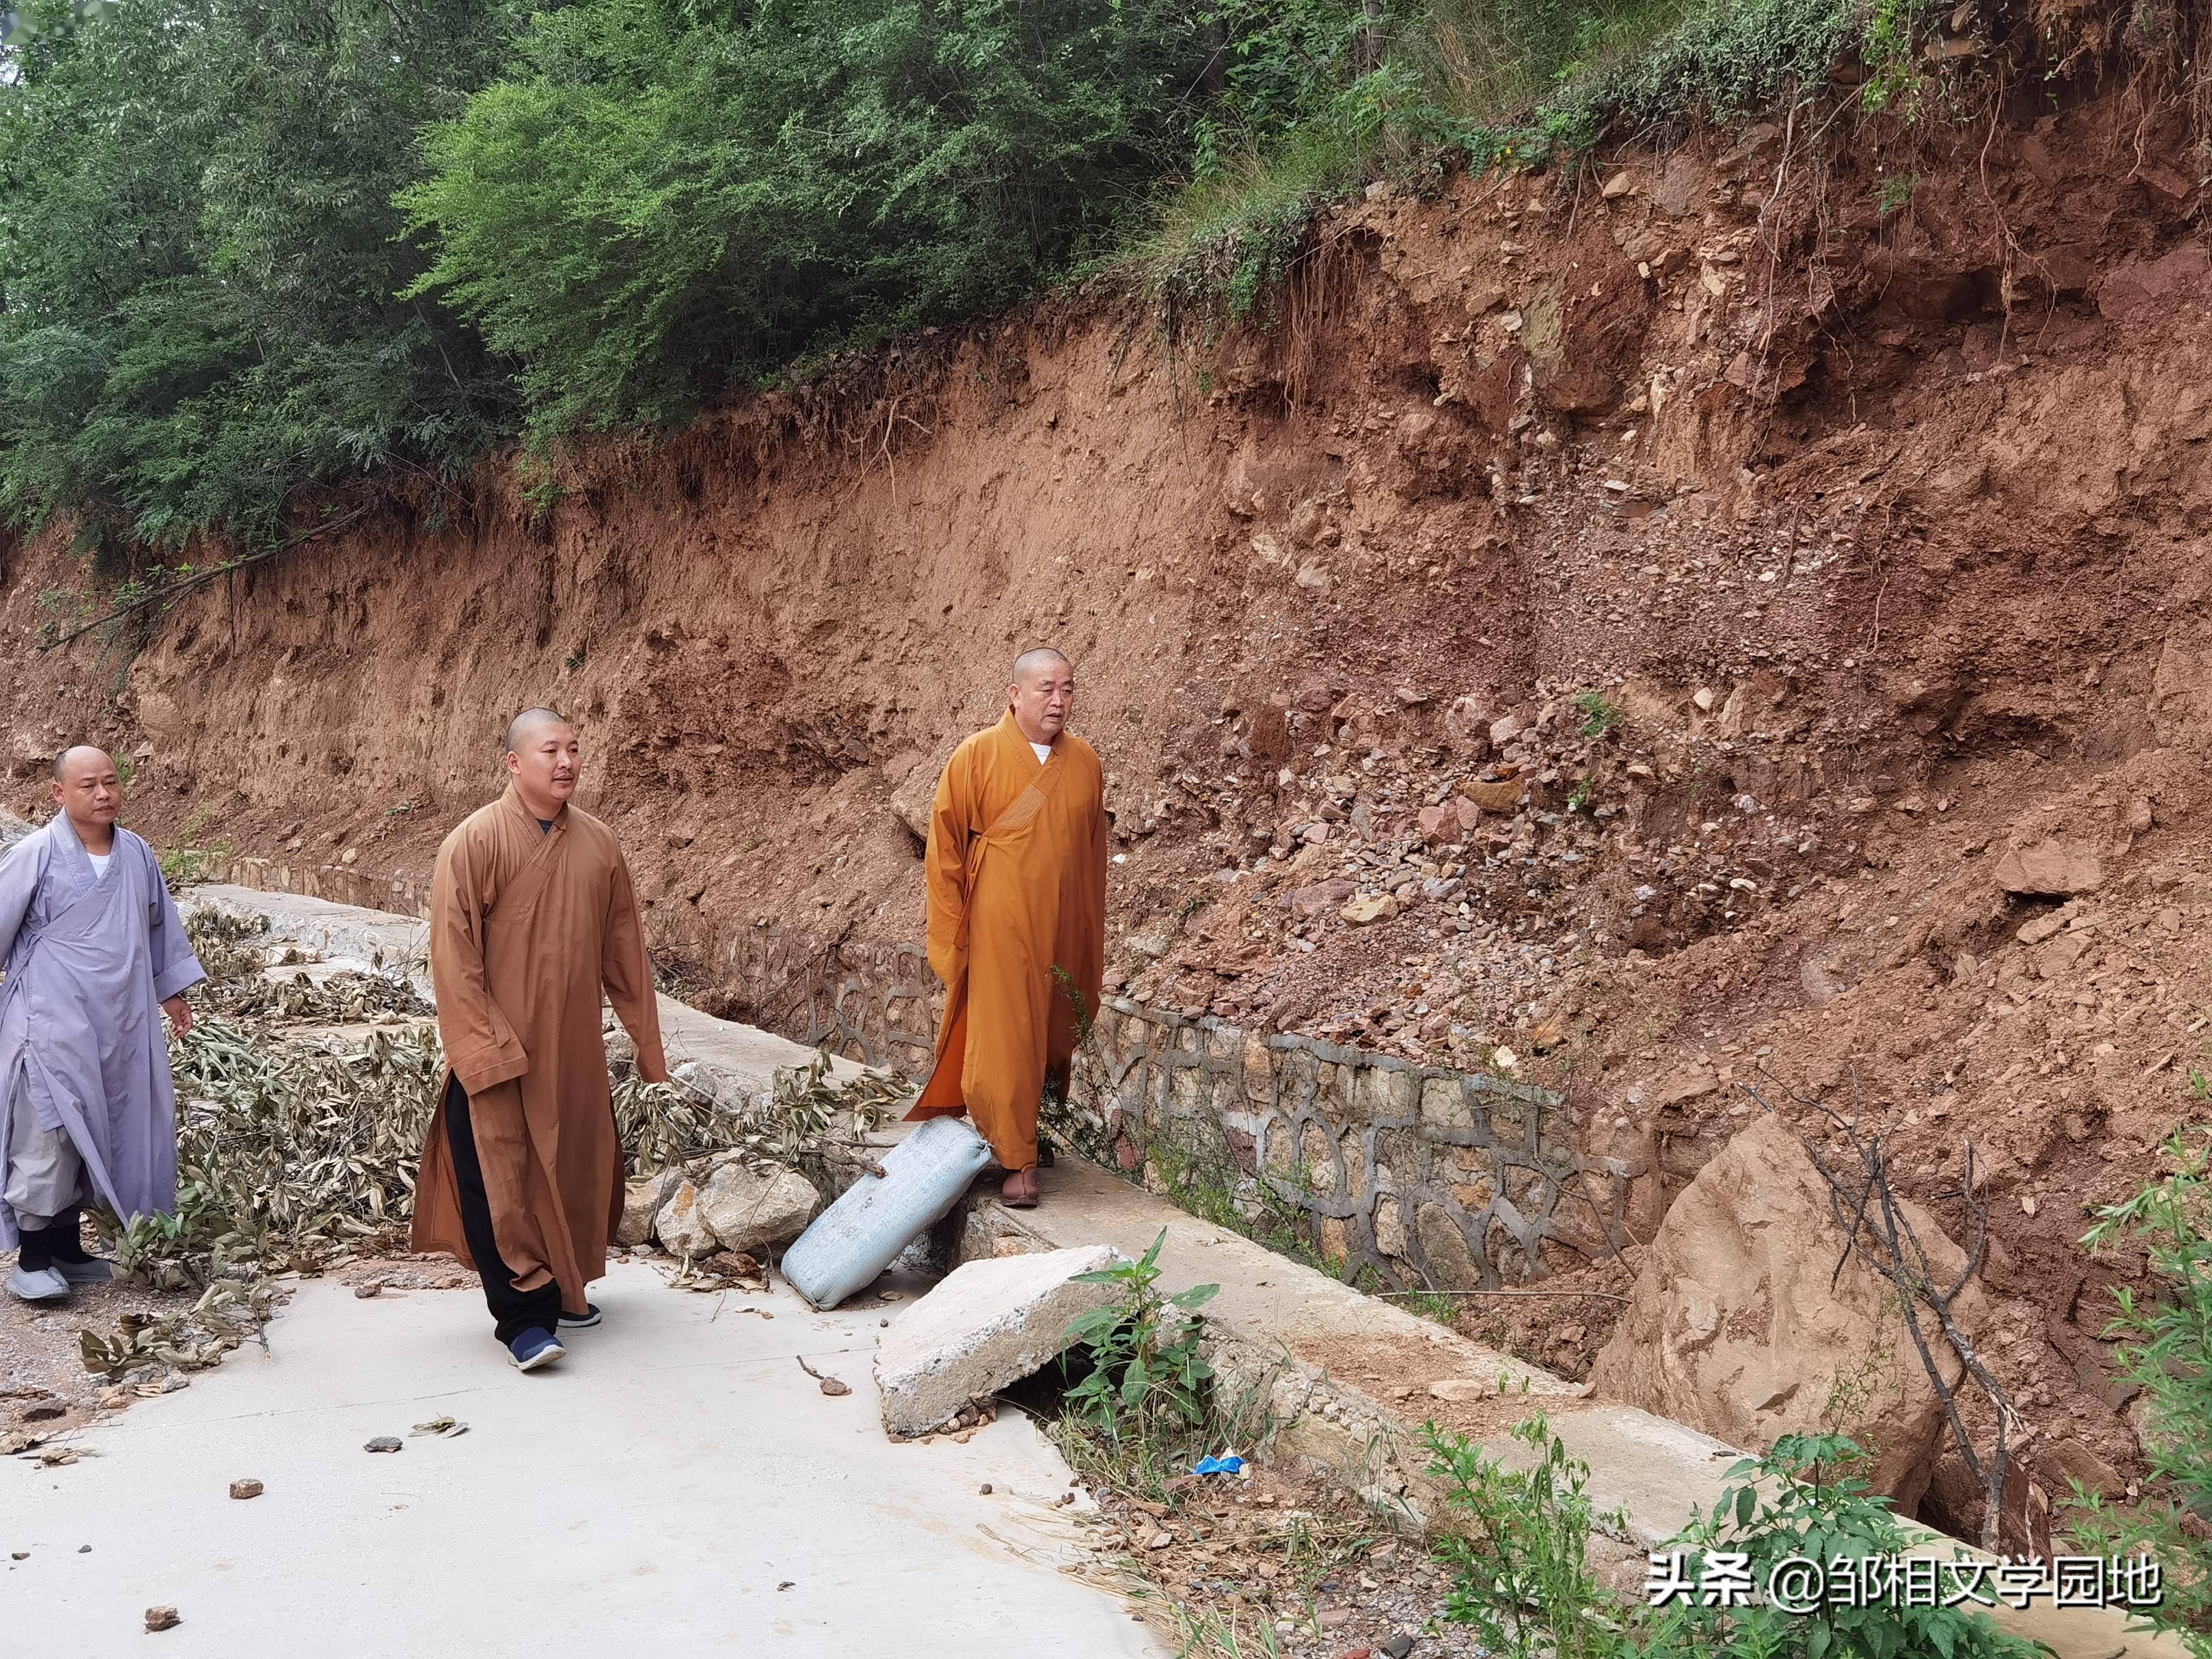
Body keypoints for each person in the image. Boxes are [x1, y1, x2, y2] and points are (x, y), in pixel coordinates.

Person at [410, 709, 667, 1372]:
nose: (566, 762)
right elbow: (453, 956)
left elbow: (624, 949)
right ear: (513, 763)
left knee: (576, 1166)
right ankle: (523, 1318)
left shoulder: (600, 845)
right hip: (500, 1045)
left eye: (574, 749)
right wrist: (480, 1050)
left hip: (574, 1046)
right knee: (500, 1179)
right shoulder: (474, 842)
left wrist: (646, 1039)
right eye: (550, 749)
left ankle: (564, 1286)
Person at [0, 747, 204, 1303]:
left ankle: (69, 1250)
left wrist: (173, 993)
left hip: (121, 1019)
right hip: (50, 1017)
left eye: (111, 783)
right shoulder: (36, 853)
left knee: (107, 1123)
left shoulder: (137, 853)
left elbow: (160, 928)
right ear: (58, 793)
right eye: (88, 785)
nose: (103, 794)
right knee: (49, 1126)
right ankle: (34, 1259)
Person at [908, 648, 1108, 1209]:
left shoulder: (1086, 762)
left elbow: (1091, 856)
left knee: (1050, 1028)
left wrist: (1090, 933)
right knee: (1005, 1035)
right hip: (1000, 919)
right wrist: (953, 933)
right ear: (1014, 694)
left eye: (1068, 689)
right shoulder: (976, 756)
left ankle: (1032, 1132)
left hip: (1063, 920)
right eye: (1046, 689)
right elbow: (944, 853)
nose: (1059, 701)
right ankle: (1015, 1157)